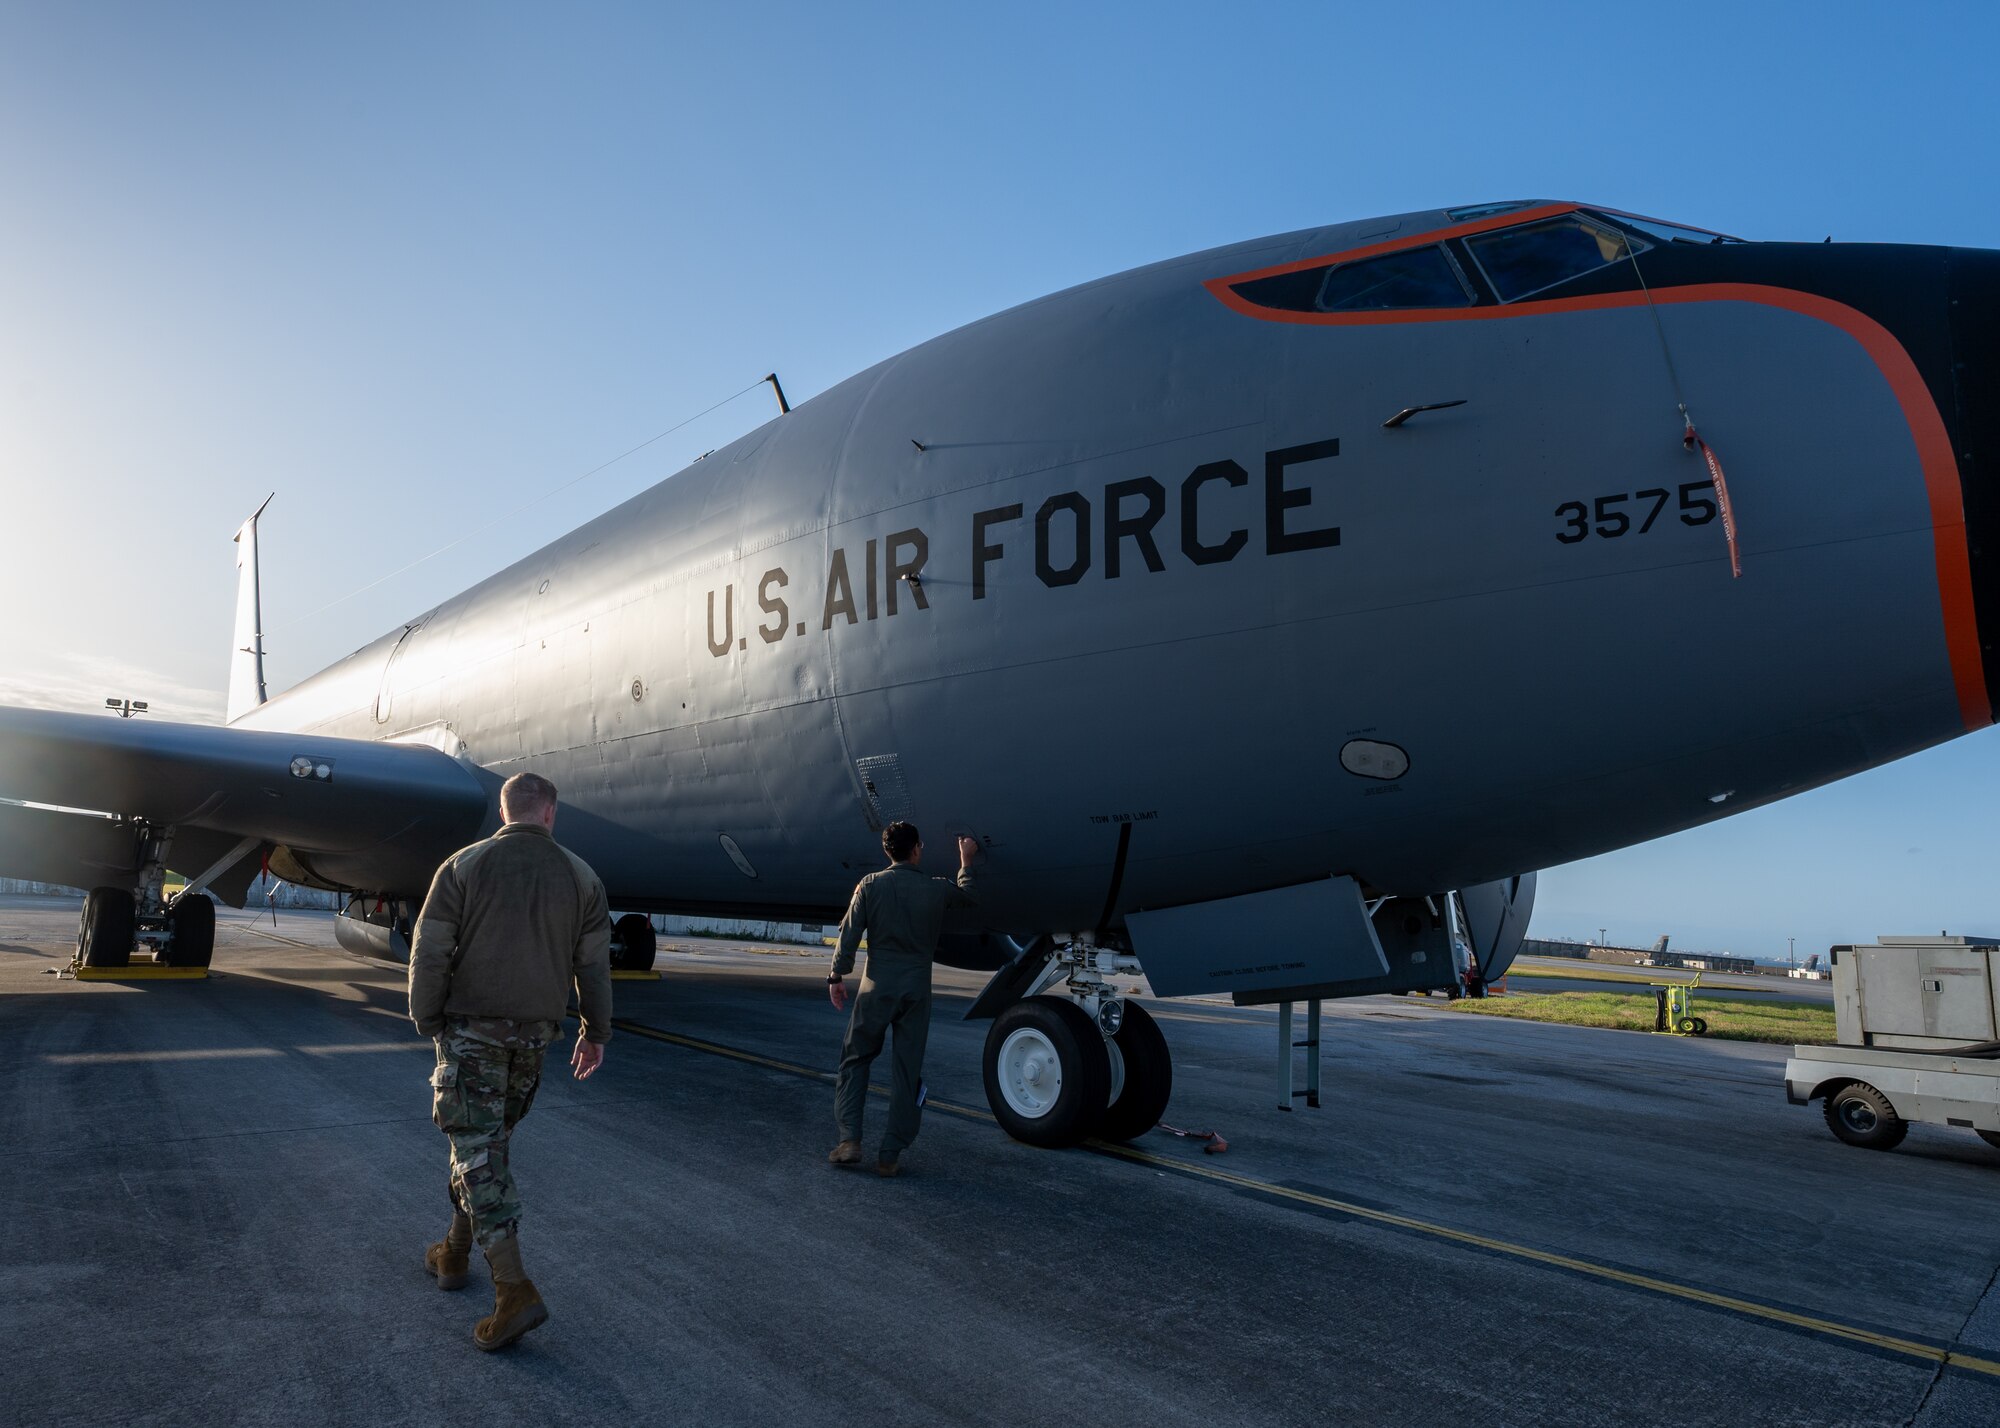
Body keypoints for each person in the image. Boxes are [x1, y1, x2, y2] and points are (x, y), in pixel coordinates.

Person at [407, 771, 612, 1351]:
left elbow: (430, 950)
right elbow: (593, 966)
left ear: (505, 813)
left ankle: (513, 1289)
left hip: (471, 1032)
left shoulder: (462, 866)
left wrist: (427, 1019)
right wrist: (595, 1031)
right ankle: (452, 1253)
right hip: (534, 1041)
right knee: (484, 1148)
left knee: (478, 1153)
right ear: (549, 813)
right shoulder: (582, 876)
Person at [827, 822, 979, 1177]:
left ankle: (849, 1140)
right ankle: (890, 1154)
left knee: (855, 1060)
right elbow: (969, 896)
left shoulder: (870, 885)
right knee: (906, 1072)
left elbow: (849, 934)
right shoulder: (935, 889)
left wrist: (836, 976)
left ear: (887, 852)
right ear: (915, 850)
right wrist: (966, 861)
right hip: (916, 993)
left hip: (875, 989)